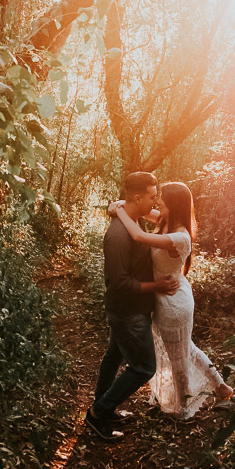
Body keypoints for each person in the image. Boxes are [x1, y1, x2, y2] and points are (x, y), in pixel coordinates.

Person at [110, 182, 233, 419]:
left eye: (162, 199)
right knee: (186, 348)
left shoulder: (180, 237)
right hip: (168, 296)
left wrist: (119, 211)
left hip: (174, 303)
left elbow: (138, 235)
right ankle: (221, 387)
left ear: (173, 205)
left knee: (179, 358)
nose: (158, 202)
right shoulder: (166, 220)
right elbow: (141, 210)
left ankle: (184, 409)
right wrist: (120, 204)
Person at [85, 172, 180, 442]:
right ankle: (97, 413)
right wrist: (157, 286)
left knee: (114, 356)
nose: (155, 201)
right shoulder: (118, 236)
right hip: (128, 311)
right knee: (144, 367)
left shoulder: (133, 219)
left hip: (131, 309)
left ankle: (103, 408)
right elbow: (119, 284)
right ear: (137, 198)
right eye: (152, 196)